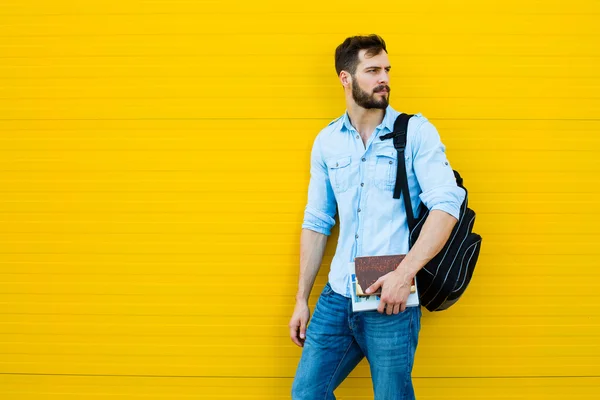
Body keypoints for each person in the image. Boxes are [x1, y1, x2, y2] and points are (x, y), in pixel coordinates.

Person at [289, 34, 466, 400]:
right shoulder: (327, 141)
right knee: (307, 394)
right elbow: (318, 221)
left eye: (386, 69)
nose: (383, 77)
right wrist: (301, 299)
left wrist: (403, 276)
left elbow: (447, 206)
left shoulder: (415, 132)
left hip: (390, 295)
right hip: (338, 293)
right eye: (372, 70)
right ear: (346, 78)